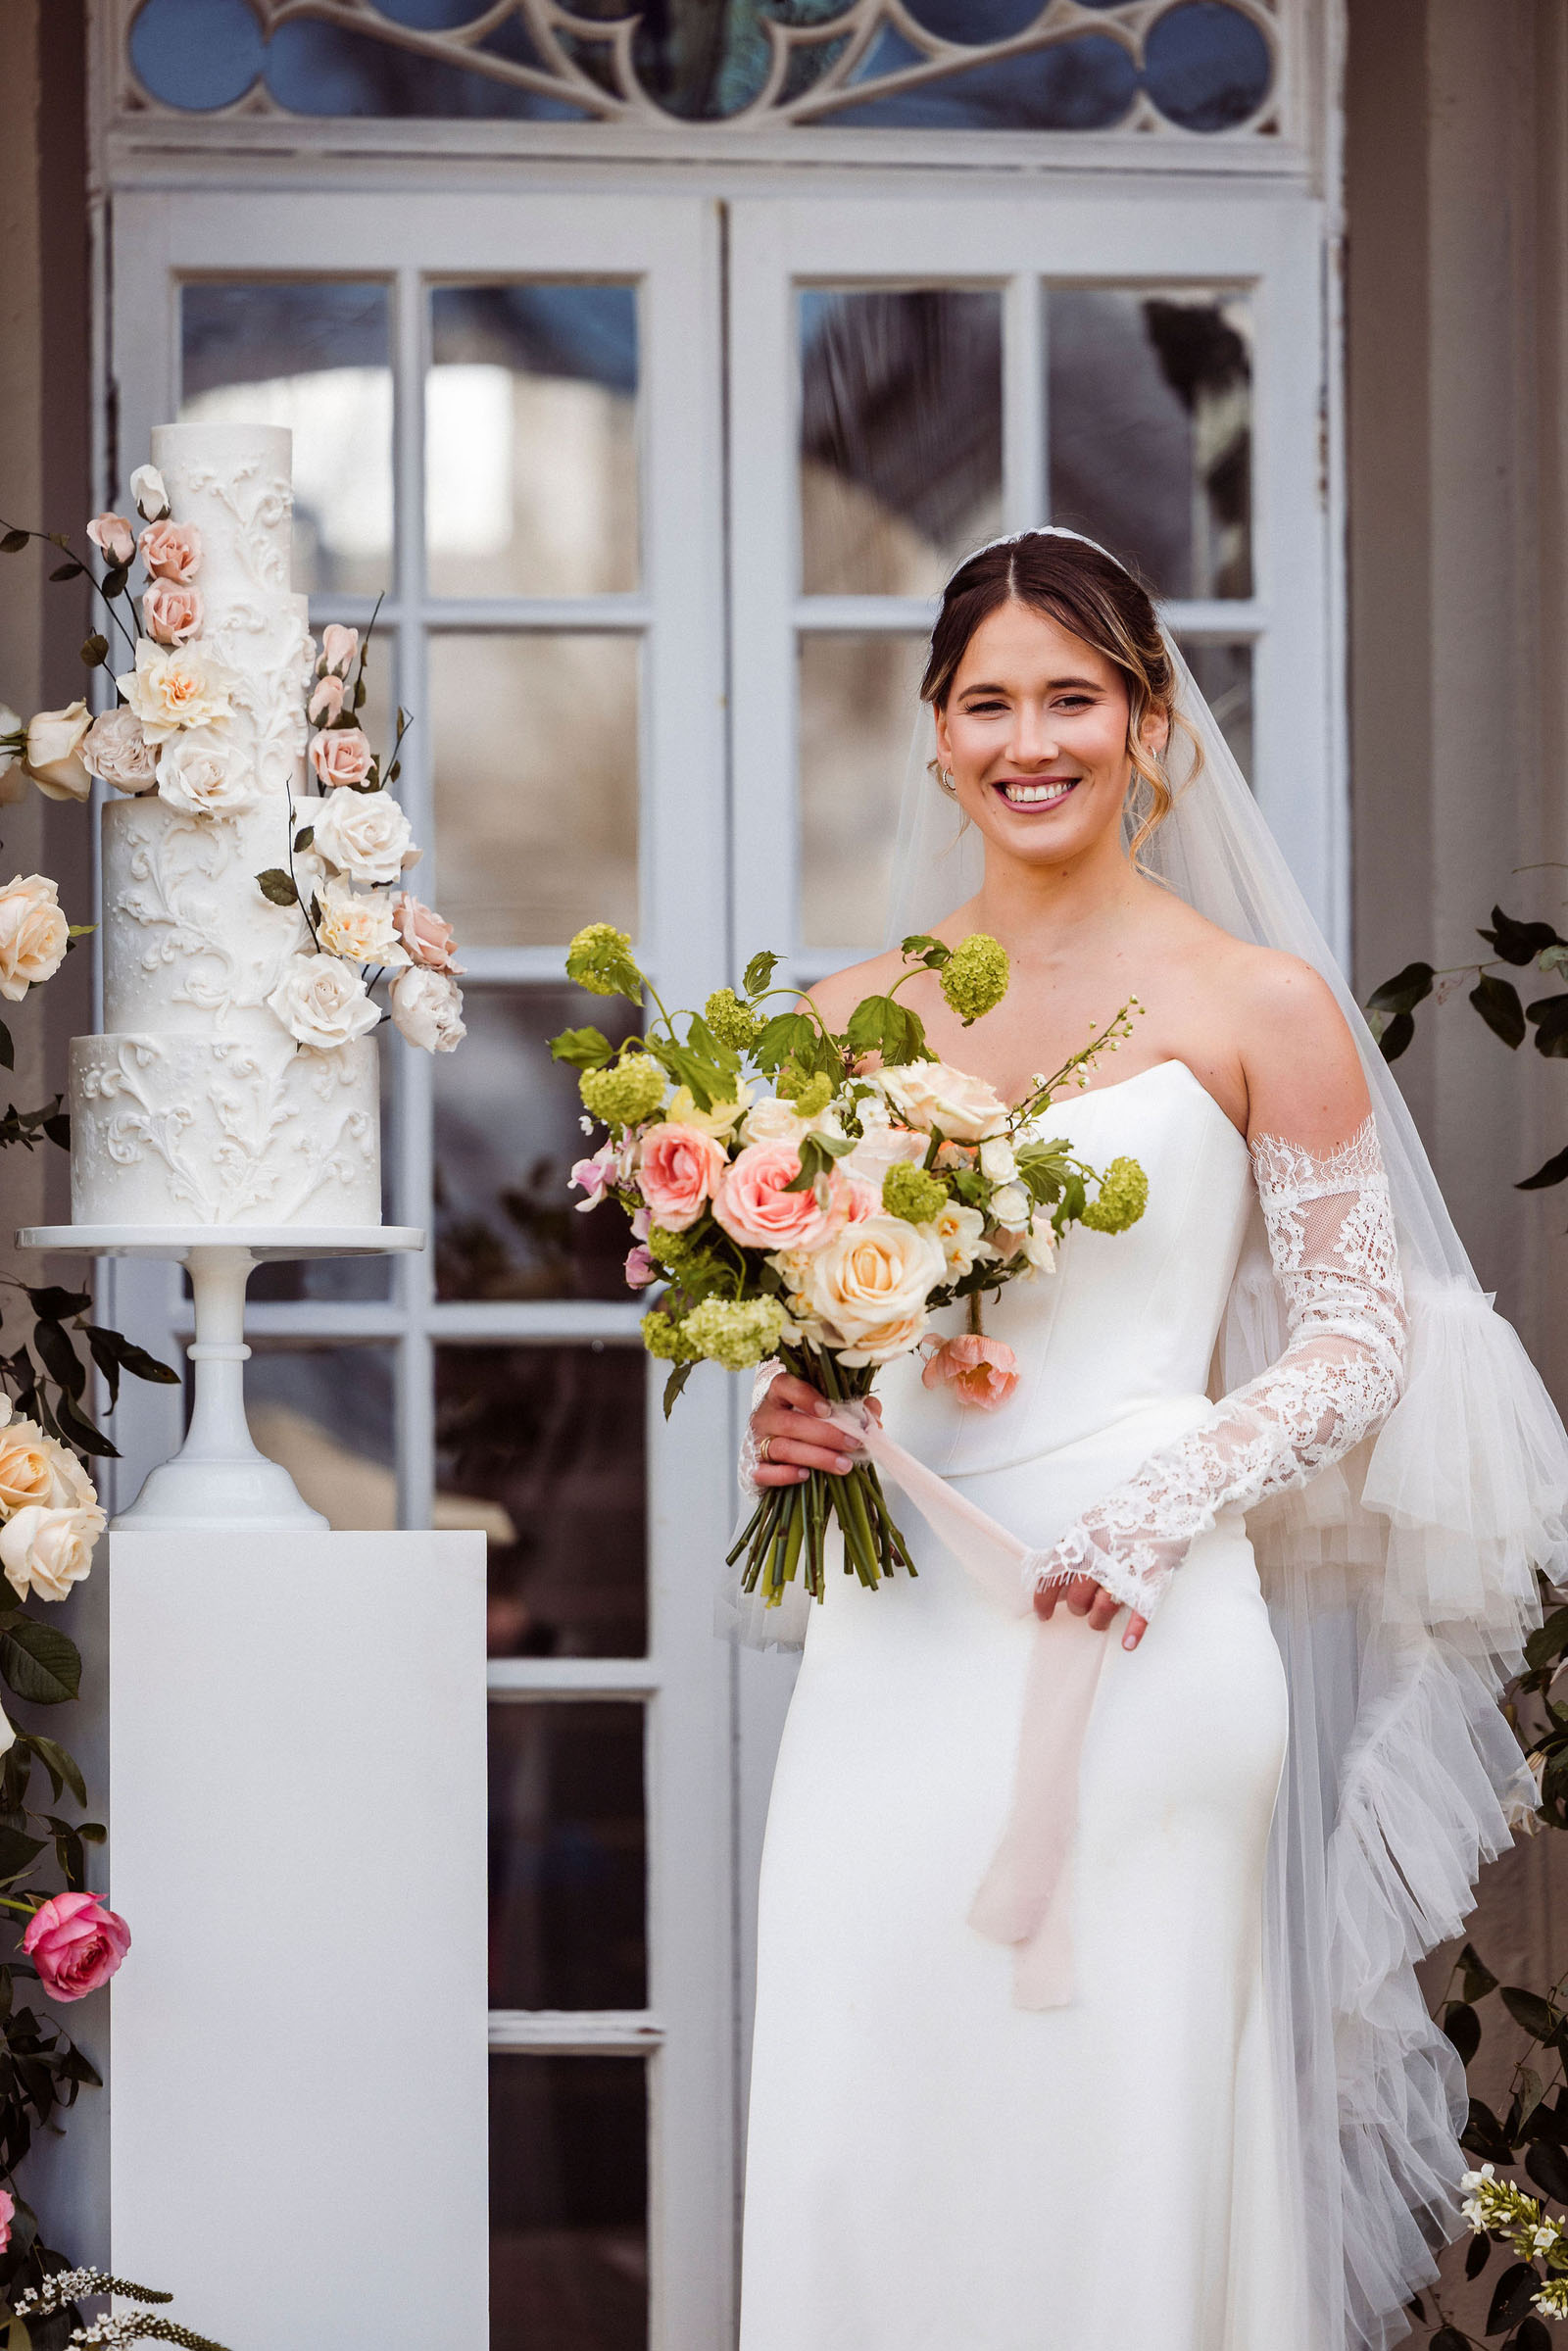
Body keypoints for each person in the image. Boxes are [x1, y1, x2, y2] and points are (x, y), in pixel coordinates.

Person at [730, 530, 1568, 2351]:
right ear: (936, 737)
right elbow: (827, 1326)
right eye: (989, 702)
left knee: (1127, 2110)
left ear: (1151, 726)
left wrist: (1157, 1498)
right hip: (902, 1635)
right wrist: (788, 1416)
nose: (1032, 740)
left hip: (1157, 1625)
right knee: (869, 2106)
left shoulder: (1262, 1004)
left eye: (1073, 698)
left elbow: (1358, 1337)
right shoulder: (830, 1023)